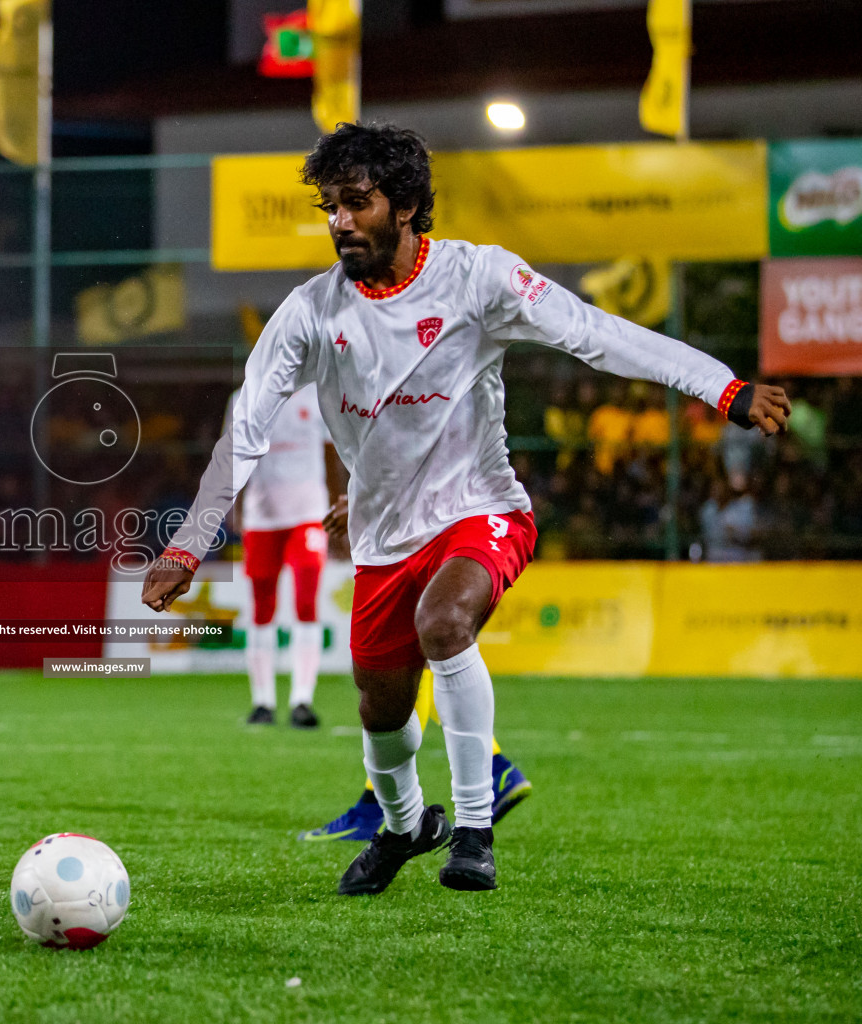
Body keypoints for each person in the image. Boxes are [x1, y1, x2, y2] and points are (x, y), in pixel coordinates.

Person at [142, 122, 789, 895]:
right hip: (382, 533)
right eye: (330, 206)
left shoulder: (480, 280)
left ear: (408, 204)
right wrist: (187, 544)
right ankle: (406, 824)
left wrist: (723, 387)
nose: (339, 221)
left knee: (444, 624)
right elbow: (244, 431)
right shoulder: (310, 313)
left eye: (357, 203)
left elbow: (596, 335)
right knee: (380, 708)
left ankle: (475, 832)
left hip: (481, 509)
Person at [297, 493, 533, 842]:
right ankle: (496, 770)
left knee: (413, 655)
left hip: (450, 521)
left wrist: (372, 499)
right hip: (424, 521)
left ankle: (375, 807)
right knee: (415, 656)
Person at [234, 386, 336, 728]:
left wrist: (336, 506)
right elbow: (234, 456)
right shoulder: (244, 397)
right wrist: (233, 506)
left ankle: (301, 700)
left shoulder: (317, 396)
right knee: (262, 607)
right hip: (262, 516)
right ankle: (262, 702)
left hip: (308, 513)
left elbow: (332, 452)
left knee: (306, 603)